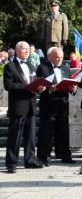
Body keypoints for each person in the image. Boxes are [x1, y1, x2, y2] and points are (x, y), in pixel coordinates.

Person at [4, 41, 44, 173]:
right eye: (24, 49)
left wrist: (39, 88)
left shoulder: (32, 66)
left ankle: (30, 160)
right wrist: (26, 87)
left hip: (31, 106)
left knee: (31, 136)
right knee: (15, 135)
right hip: (18, 106)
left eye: (28, 49)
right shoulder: (10, 66)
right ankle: (11, 163)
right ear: (17, 50)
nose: (27, 51)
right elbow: (8, 85)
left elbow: (35, 83)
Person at [36, 47, 77, 165]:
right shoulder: (42, 68)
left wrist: (72, 89)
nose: (59, 60)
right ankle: (44, 157)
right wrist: (49, 88)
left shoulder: (65, 68)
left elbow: (69, 83)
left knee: (63, 131)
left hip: (63, 104)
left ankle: (65, 155)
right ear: (50, 57)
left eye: (61, 57)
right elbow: (40, 86)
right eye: (57, 57)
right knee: (47, 131)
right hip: (49, 105)